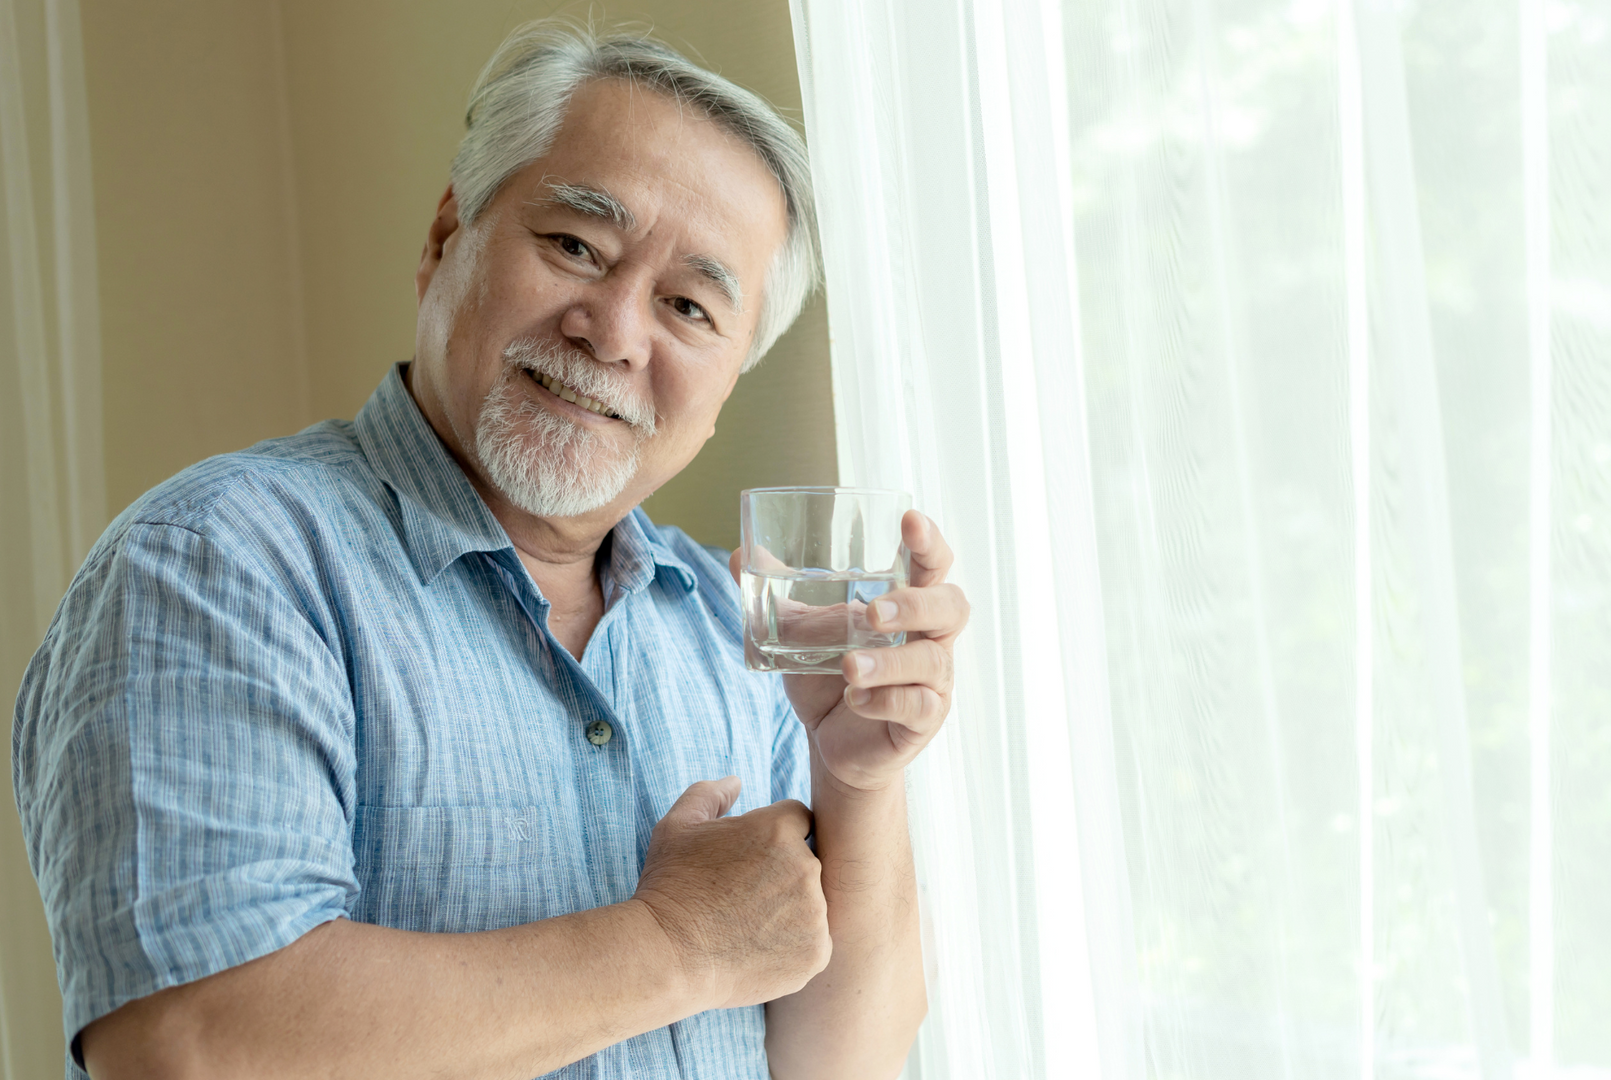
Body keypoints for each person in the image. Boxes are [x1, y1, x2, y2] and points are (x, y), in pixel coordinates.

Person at [11, 18, 966, 1080]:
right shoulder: (215, 565)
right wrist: (674, 944)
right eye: (574, 247)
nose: (611, 331)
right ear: (443, 239)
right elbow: (190, 1048)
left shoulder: (732, 625)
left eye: (689, 306)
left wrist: (857, 779)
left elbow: (846, 1061)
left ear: (727, 381)